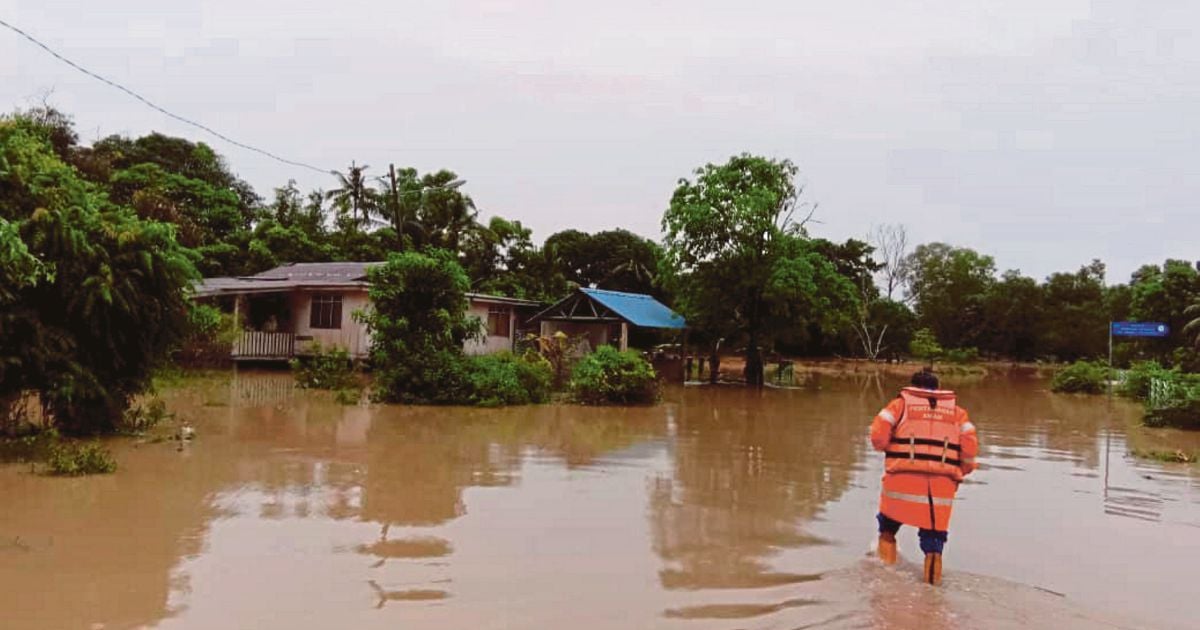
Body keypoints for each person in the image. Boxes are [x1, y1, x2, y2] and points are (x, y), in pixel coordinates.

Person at [869, 369, 978, 585]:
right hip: (940, 489)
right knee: (934, 545)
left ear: (912, 386)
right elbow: (969, 451)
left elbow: (878, 438)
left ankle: (886, 582)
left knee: (888, 531)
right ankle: (932, 592)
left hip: (901, 481)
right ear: (937, 389)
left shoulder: (899, 405)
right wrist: (960, 473)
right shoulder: (957, 413)